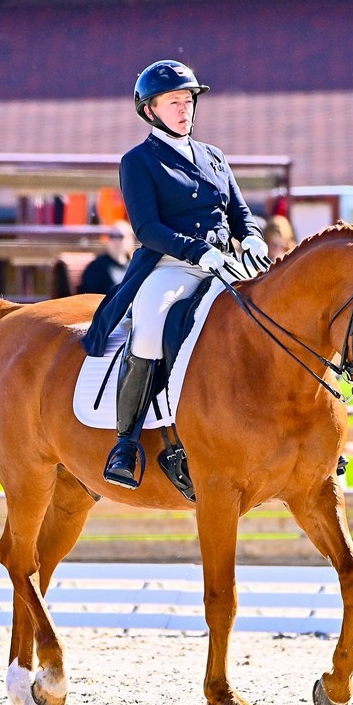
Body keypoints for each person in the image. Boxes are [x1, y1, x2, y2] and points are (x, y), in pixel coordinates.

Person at [81, 59, 269, 489]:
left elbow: (239, 212)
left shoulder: (214, 156)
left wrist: (253, 236)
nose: (185, 110)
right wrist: (196, 250)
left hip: (226, 264)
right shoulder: (139, 161)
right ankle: (126, 444)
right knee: (149, 328)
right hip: (171, 266)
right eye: (174, 103)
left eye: (188, 101)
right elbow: (147, 228)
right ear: (150, 110)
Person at [77, 220, 135, 295]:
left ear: (131, 240)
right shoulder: (96, 267)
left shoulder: (134, 265)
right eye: (112, 236)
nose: (116, 240)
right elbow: (88, 297)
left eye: (120, 236)